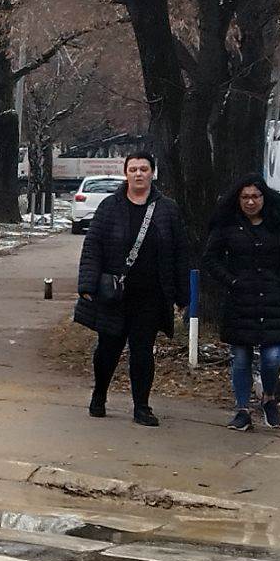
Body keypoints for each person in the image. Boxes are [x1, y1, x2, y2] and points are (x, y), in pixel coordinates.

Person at [75, 149, 189, 426]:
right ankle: (99, 395)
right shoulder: (110, 206)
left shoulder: (167, 209)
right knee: (107, 349)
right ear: (126, 173)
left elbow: (179, 252)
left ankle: (142, 406)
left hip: (150, 295)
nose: (139, 173)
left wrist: (182, 293)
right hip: (113, 294)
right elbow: (93, 246)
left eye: (144, 169)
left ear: (153, 173)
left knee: (142, 351)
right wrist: (88, 285)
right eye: (133, 169)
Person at [201, 175, 280, 430]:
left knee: (271, 357)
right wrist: (232, 282)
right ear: (238, 199)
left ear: (264, 198)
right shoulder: (227, 225)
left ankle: (268, 397)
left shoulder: (278, 223)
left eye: (255, 197)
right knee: (240, 356)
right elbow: (211, 259)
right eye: (245, 197)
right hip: (239, 301)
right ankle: (242, 408)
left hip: (270, 299)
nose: (250, 202)